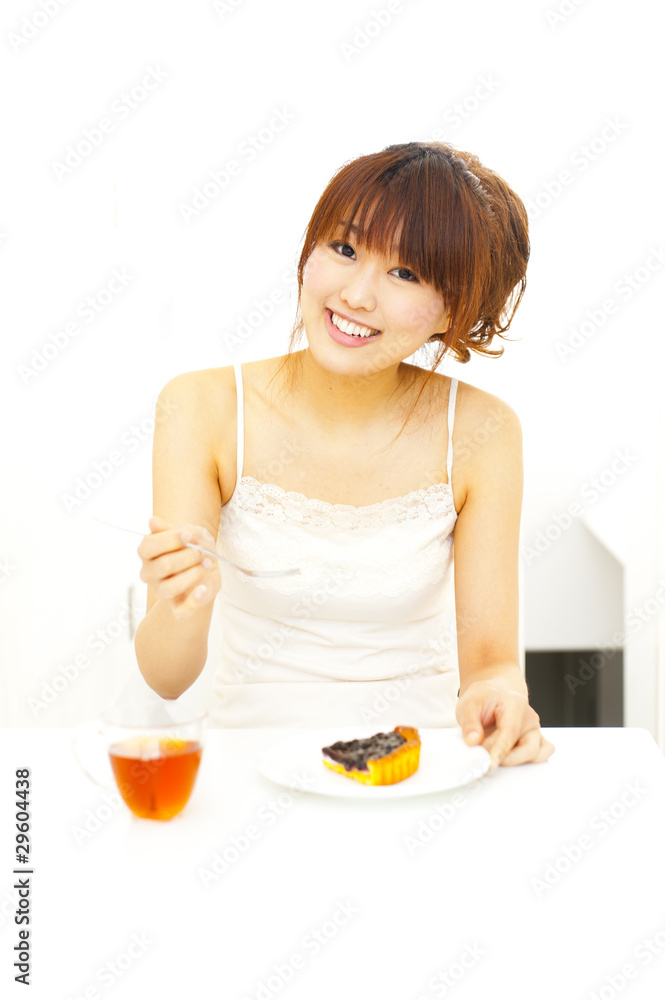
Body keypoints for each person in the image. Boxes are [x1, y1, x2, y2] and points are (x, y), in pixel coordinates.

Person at [134, 140, 555, 769]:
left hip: (419, 771)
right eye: (345, 248)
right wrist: (180, 603)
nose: (357, 295)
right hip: (254, 768)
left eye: (406, 273)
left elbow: (492, 666)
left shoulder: (482, 432)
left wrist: (499, 703)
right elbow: (165, 678)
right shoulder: (203, 407)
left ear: (453, 309)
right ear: (310, 253)